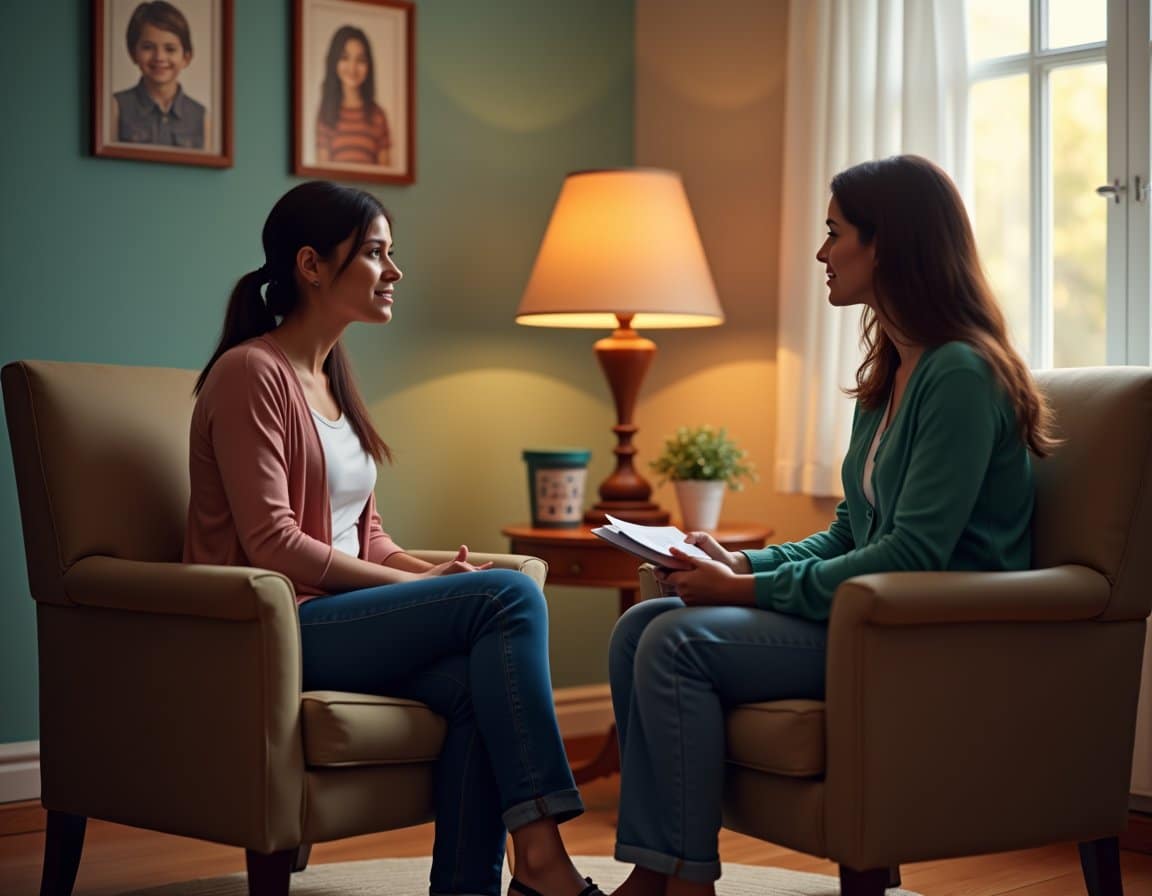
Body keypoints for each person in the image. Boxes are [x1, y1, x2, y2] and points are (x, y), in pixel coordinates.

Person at [606, 154, 1057, 896]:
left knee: (675, 640)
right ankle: (655, 875)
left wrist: (743, 592)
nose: (821, 253)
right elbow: (852, 533)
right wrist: (742, 564)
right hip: (867, 620)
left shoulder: (961, 374)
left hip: (931, 634)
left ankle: (686, 885)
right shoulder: (892, 372)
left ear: (886, 245)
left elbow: (911, 554)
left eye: (834, 232)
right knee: (638, 627)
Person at [184, 181, 601, 896]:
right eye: (376, 253)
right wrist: (422, 588)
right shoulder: (250, 373)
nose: (395, 271)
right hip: (274, 629)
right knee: (507, 595)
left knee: (480, 684)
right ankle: (541, 862)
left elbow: (367, 536)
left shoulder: (331, 378)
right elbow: (273, 544)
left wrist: (422, 576)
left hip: (336, 620)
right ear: (312, 266)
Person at [113, 1, 206, 149]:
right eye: (148, 47)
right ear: (133, 53)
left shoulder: (201, 117)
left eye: (170, 49)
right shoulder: (115, 107)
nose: (159, 57)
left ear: (186, 57)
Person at [315, 25, 392, 166]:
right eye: (345, 58)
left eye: (360, 60)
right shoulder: (326, 113)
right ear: (334, 62)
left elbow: (385, 168)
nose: (352, 68)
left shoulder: (378, 115)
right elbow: (321, 167)